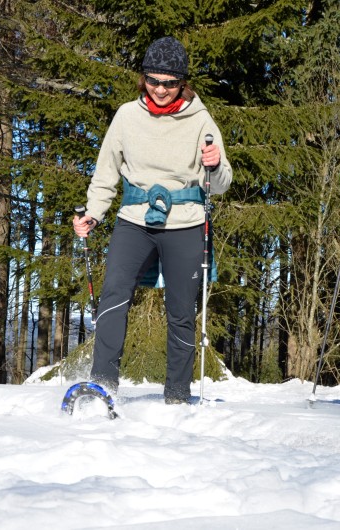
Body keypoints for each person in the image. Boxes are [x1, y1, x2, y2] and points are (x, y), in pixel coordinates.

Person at [73, 36, 232, 404]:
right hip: (134, 219)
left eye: (169, 83)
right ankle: (103, 386)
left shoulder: (201, 120)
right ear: (143, 78)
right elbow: (106, 171)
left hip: (186, 222)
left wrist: (214, 165)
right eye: (153, 80)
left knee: (181, 311)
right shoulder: (127, 116)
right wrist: (93, 213)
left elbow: (221, 184)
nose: (160, 90)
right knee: (114, 295)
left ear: (182, 82)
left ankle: (177, 395)